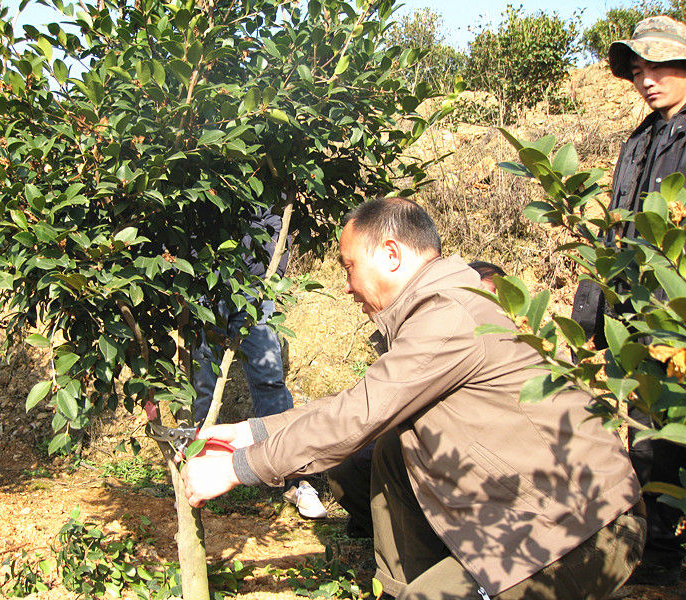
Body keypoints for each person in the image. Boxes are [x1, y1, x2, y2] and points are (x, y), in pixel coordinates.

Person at [183, 197, 644, 600]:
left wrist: (236, 468)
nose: (345, 285)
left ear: (390, 254)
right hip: (527, 507)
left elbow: (357, 416)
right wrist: (251, 431)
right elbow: (360, 402)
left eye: (348, 266)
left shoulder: (450, 314)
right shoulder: (438, 304)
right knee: (388, 448)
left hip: (583, 527)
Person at [571, 15, 686, 585]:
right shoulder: (639, 142)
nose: (648, 79)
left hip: (678, 314)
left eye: (661, 65)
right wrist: (589, 311)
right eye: (639, 70)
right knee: (648, 429)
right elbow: (614, 235)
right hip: (638, 317)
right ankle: (659, 551)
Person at [327, 259, 508, 540]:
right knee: (353, 464)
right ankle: (393, 537)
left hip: (478, 466)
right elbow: (374, 403)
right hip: (423, 441)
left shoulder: (518, 350)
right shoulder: (435, 328)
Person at [192, 208, 327, 519]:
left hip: (254, 288)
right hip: (203, 286)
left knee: (270, 378)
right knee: (203, 381)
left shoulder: (270, 172)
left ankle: (296, 479)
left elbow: (281, 221)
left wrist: (272, 273)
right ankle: (200, 469)